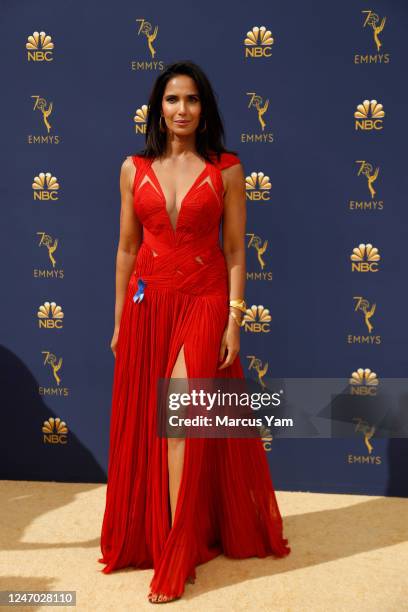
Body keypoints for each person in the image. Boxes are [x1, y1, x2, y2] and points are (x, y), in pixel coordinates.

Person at [98, 60, 291, 604]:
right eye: (171, 100)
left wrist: (234, 317)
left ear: (204, 108)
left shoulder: (228, 169)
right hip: (147, 303)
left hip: (205, 301)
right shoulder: (133, 168)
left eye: (192, 100)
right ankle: (158, 538)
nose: (181, 110)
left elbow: (234, 250)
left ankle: (178, 552)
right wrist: (118, 319)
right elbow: (127, 248)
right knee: (151, 426)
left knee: (181, 416)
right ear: (158, 108)